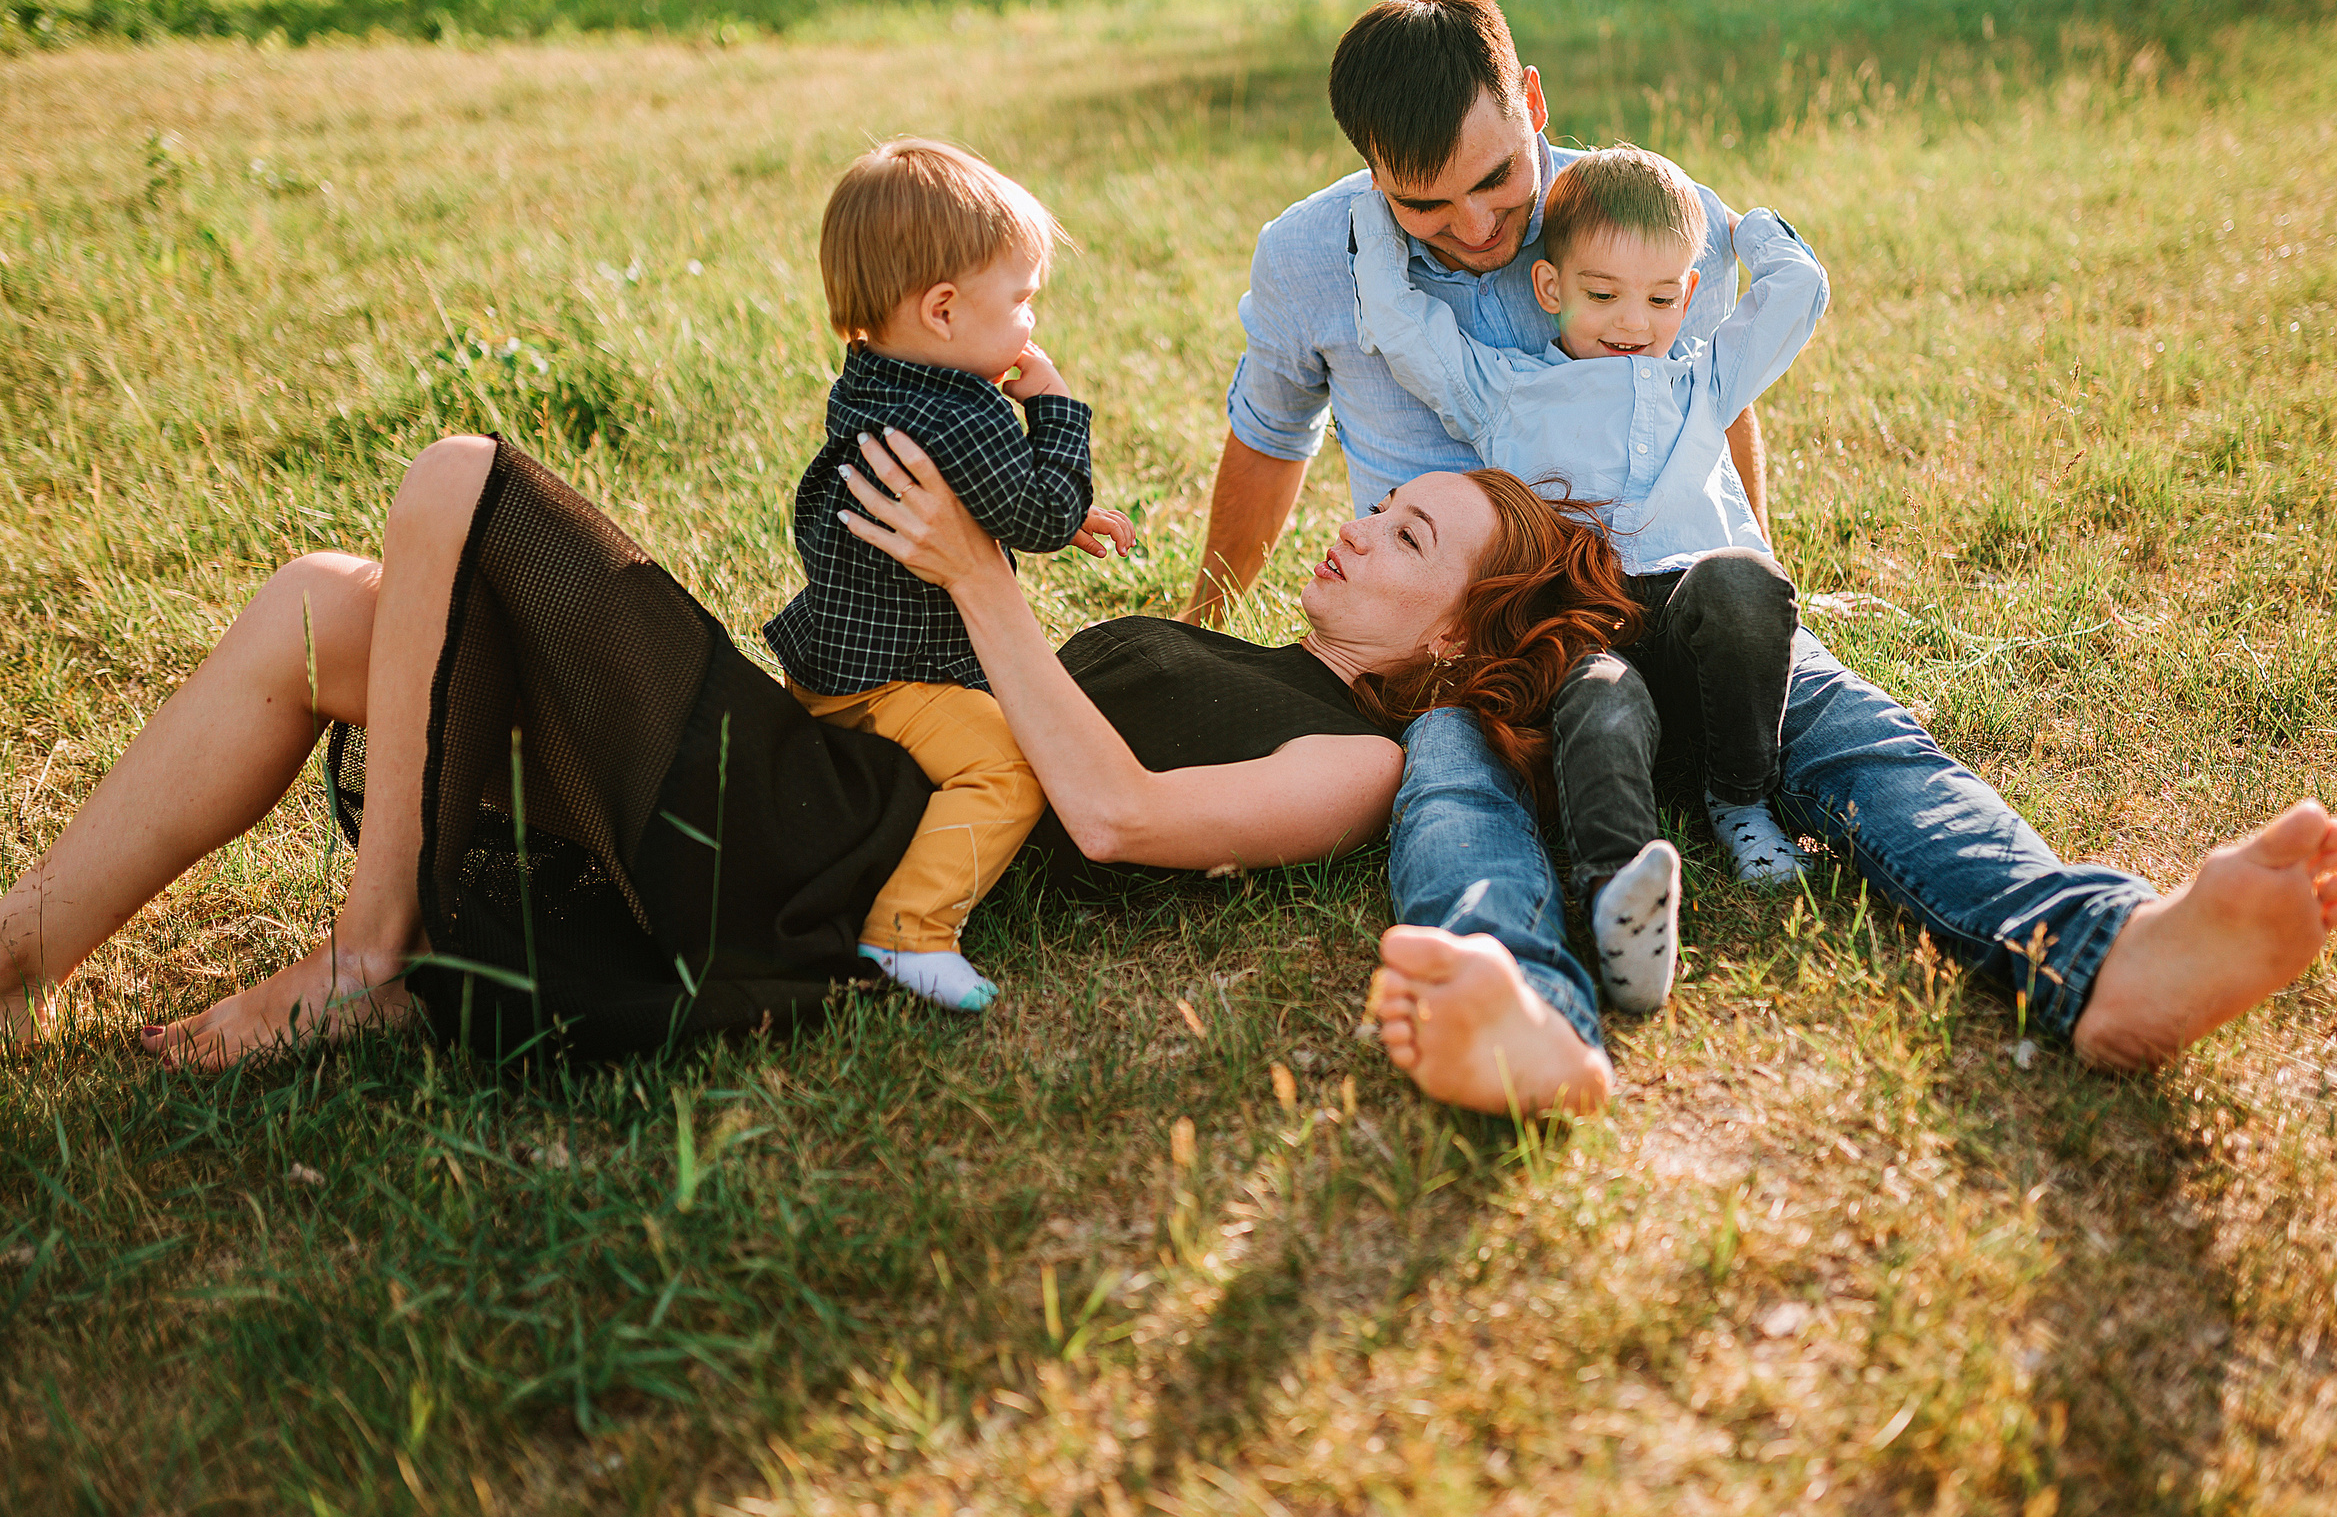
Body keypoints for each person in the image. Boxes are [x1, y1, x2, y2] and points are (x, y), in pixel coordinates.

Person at [1186, 0, 2337, 1115]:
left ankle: (2098, 953)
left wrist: (1756, 577)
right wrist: (1208, 614)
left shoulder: (1641, 211)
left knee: (1849, 729)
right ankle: (1520, 1005)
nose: (1478, 226)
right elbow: (1271, 432)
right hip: (1470, 639)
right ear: (1370, 171)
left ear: (1530, 102)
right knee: (1451, 772)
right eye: (1424, 206)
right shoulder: (1311, 256)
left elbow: (1709, 400)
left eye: (1496, 182)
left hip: (1663, 597)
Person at [0, 434, 1634, 1083]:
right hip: (821, 767)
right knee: (325, 605)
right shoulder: (1260, 660)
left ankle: (371, 951)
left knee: (457, 479)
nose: (1360, 523)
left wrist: (982, 583)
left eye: (1409, 535)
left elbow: (1118, 813)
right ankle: (24, 951)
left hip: (815, 847)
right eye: (1381, 501)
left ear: (1456, 638)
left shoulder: (1360, 760)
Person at [1349, 143, 1830, 1017]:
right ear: (1549, 287)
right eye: (1602, 294)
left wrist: (1746, 228)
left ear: (1688, 295)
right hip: (1590, 630)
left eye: (1660, 298)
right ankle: (1620, 893)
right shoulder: (1506, 391)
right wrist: (1373, 212)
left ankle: (1740, 802)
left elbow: (1801, 292)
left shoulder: (1703, 380)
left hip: (1697, 628)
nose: (1631, 321)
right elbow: (1401, 323)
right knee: (1601, 698)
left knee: (1745, 584)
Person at [764, 137, 1133, 1014]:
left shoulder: (872, 381)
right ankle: (911, 927)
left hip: (831, 659)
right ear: (942, 309)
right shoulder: (966, 414)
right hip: (894, 681)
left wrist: (1035, 496)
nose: (1030, 324)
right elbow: (1036, 518)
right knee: (1011, 766)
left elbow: (985, 497)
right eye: (1021, 301)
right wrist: (1054, 410)